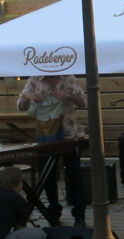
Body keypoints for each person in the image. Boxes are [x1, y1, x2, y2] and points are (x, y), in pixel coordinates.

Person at [17, 74, 88, 226]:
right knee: (48, 176)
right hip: (46, 137)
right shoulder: (34, 80)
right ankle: (54, 213)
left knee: (74, 175)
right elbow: (21, 106)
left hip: (68, 135)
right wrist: (28, 97)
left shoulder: (68, 79)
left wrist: (68, 95)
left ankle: (79, 215)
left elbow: (83, 103)